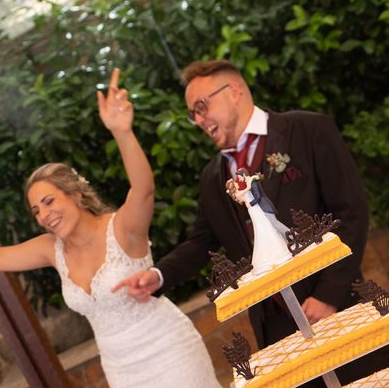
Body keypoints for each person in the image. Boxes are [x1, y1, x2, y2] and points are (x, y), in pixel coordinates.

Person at [0, 68, 221, 388]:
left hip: (170, 353)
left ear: (75, 194)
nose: (43, 215)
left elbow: (143, 191)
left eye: (49, 201)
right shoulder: (50, 249)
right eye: (36, 210)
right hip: (122, 370)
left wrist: (122, 132)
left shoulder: (121, 230)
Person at [113, 59, 388, 386]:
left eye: (202, 106)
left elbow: (352, 212)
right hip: (276, 328)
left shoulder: (308, 130)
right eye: (193, 114)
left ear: (234, 91)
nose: (199, 120)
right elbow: (202, 243)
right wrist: (157, 276)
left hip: (338, 304)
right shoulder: (213, 177)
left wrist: (330, 293)